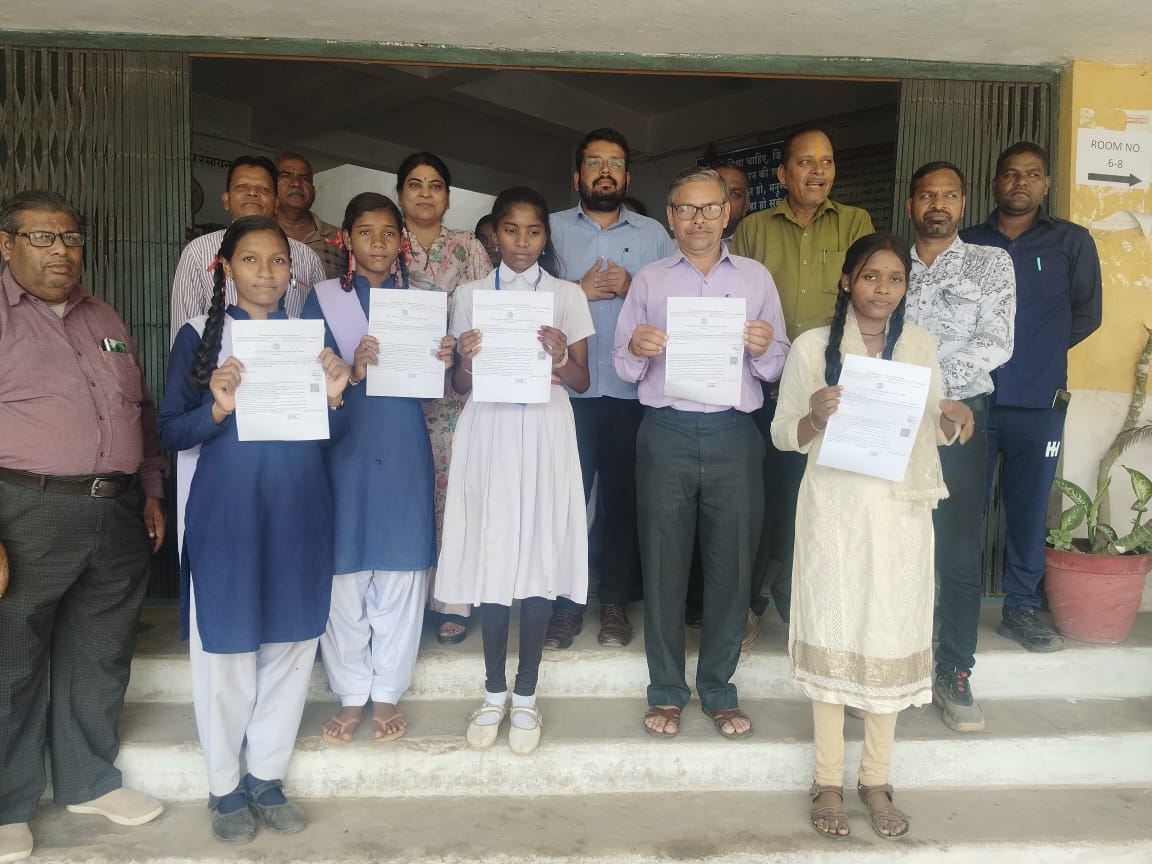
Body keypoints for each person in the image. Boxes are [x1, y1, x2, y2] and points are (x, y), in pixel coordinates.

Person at [771, 232, 974, 840]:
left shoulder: (920, 345)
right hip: (833, 510)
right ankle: (827, 781)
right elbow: (783, 434)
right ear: (846, 282)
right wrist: (814, 415)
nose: (882, 289)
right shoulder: (813, 346)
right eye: (869, 276)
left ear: (906, 288)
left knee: (889, 631)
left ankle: (876, 779)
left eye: (894, 278)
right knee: (832, 631)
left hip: (899, 513)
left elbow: (935, 429)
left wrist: (955, 419)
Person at [159, 216, 350, 843]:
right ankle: (224, 787)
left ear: (292, 270)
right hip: (229, 512)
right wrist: (217, 407)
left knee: (292, 644)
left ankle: (266, 777)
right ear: (226, 269)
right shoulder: (198, 336)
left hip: (299, 506)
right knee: (227, 649)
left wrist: (336, 396)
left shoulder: (309, 338)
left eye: (278, 261)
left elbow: (332, 438)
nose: (267, 273)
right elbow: (170, 431)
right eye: (251, 260)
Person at [0, 190, 167, 863]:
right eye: (42, 238)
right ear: (6, 244)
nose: (61, 251)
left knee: (100, 652)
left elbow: (140, 411)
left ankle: (89, 781)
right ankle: (7, 805)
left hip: (116, 510)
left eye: (70, 238)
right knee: (11, 660)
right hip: (26, 510)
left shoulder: (105, 316)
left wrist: (150, 490)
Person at [613, 167, 788, 740]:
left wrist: (764, 347)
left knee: (732, 567)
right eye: (686, 209)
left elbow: (777, 364)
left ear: (727, 212)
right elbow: (622, 365)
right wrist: (637, 347)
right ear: (670, 216)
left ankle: (718, 688)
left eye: (710, 208)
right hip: (665, 430)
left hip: (734, 433)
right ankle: (666, 690)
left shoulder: (756, 278)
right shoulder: (650, 280)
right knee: (663, 564)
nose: (699, 220)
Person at [434, 186, 594, 755]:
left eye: (533, 231)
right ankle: (493, 691)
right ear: (494, 235)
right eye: (510, 230)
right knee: (495, 550)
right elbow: (459, 386)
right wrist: (467, 360)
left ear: (545, 236)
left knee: (539, 552)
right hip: (491, 428)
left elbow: (583, 382)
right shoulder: (472, 294)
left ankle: (526, 694)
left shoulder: (567, 295)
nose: (521, 241)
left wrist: (560, 355)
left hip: (546, 428)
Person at [303, 193, 456, 745]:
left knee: (400, 565)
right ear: (347, 238)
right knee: (343, 568)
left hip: (401, 441)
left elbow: (439, 389)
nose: (378, 243)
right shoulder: (322, 299)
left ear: (401, 241)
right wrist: (352, 369)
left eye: (389, 233)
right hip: (342, 443)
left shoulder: (421, 302)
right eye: (365, 232)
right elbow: (303, 382)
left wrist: (444, 361)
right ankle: (351, 692)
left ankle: (388, 688)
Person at [731, 128, 875, 642]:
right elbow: (734, 301)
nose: (818, 172)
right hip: (762, 384)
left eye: (827, 162)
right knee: (754, 502)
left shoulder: (856, 222)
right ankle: (746, 606)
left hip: (828, 392)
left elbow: (866, 300)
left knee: (816, 500)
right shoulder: (753, 227)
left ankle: (799, 604)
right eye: (806, 162)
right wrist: (765, 365)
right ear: (783, 172)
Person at [961, 141, 1102, 652]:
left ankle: (1020, 608)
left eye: (1032, 174)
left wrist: (1038, 350)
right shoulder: (968, 242)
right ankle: (949, 605)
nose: (1020, 182)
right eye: (1011, 173)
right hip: (972, 400)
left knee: (1028, 510)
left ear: (1045, 184)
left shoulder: (1071, 241)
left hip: (1039, 403)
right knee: (959, 507)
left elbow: (1087, 314)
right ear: (994, 183)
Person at [547, 127, 676, 649]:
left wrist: (634, 287)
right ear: (577, 174)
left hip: (630, 392)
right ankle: (564, 603)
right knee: (565, 501)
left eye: (616, 163)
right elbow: (524, 301)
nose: (605, 171)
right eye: (595, 162)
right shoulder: (550, 230)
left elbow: (677, 308)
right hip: (565, 392)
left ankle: (615, 602)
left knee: (623, 501)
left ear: (628, 176)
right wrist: (575, 290)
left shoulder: (654, 235)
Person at [904, 161, 1016, 732]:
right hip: (896, 417)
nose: (938, 204)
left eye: (949, 195)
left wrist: (934, 392)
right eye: (928, 195)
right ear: (911, 204)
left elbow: (996, 340)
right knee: (896, 537)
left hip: (959, 416)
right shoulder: (891, 265)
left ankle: (954, 668)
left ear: (964, 204)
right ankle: (894, 663)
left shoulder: (990, 263)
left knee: (955, 544)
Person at [396, 151, 494, 644]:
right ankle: (404, 602)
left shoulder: (468, 247)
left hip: (455, 397)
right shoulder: (384, 242)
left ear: (448, 197)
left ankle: (452, 599)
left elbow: (486, 312)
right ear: (400, 194)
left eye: (435, 185)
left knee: (453, 496)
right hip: (396, 395)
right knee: (406, 494)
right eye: (415, 184)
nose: (425, 193)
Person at [170, 155, 326, 341]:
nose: (252, 193)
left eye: (262, 189)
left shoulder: (306, 256)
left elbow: (320, 330)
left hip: (289, 357)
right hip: (217, 358)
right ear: (226, 199)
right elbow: (185, 329)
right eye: (241, 187)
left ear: (276, 203)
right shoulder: (197, 251)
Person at [275, 152, 343, 280]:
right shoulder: (256, 233)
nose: (296, 183)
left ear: (313, 192)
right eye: (286, 176)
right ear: (271, 187)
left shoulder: (339, 239)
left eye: (304, 178)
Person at [714, 163, 750, 240]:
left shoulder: (756, 243)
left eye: (735, 194)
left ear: (745, 206)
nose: (725, 201)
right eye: (718, 191)